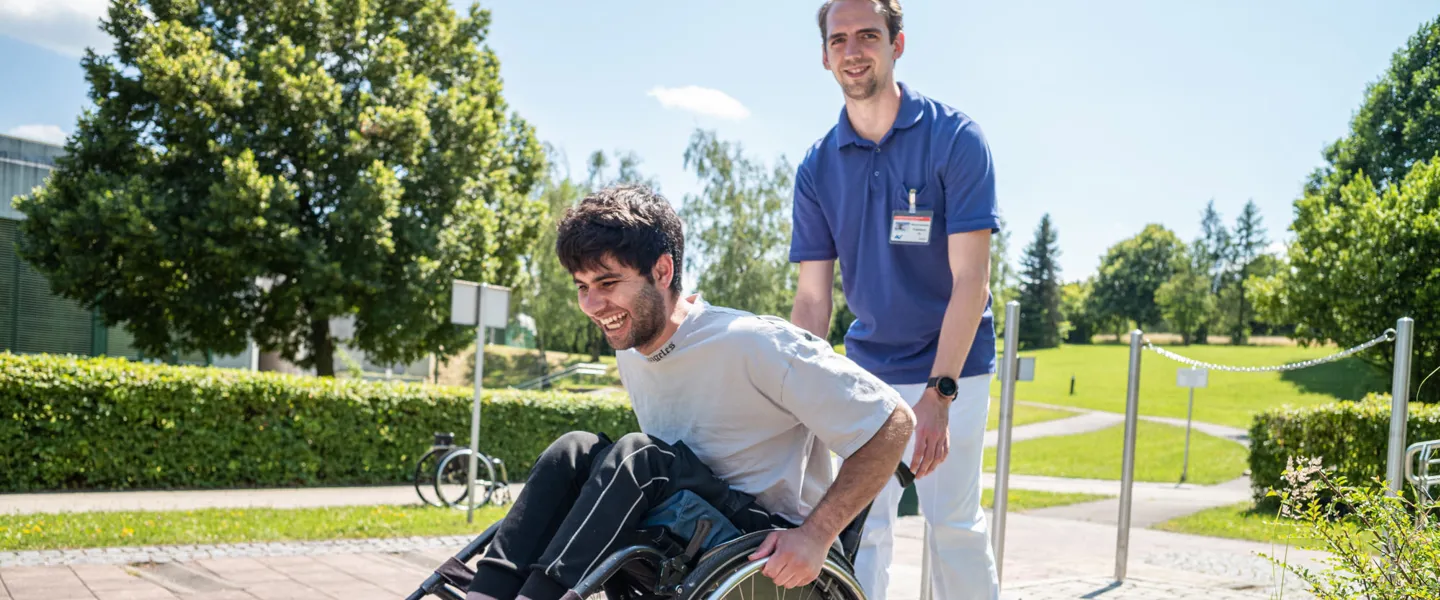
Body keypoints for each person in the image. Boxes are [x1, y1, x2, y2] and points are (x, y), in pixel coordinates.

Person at [465, 184, 916, 600]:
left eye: (607, 283)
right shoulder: (633, 348)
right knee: (574, 450)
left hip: (762, 553)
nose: (593, 305)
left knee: (640, 459)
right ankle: (487, 591)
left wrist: (816, 535)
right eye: (582, 287)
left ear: (662, 271)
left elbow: (892, 421)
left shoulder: (753, 343)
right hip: (681, 536)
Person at [787, 1, 1003, 599]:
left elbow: (972, 281)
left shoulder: (955, 139)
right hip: (867, 372)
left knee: (954, 525)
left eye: (868, 35)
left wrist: (940, 394)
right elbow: (811, 301)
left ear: (896, 44)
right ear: (825, 56)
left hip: (955, 364)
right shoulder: (816, 166)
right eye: (839, 40)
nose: (853, 50)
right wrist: (795, 387)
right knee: (862, 527)